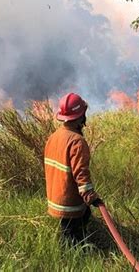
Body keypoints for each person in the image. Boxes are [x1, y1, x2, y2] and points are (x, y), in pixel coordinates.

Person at [44, 92, 102, 246]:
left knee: (78, 222)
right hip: (70, 201)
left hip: (56, 198)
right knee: (72, 239)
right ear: (80, 117)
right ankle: (75, 257)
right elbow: (80, 173)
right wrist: (90, 195)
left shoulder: (54, 137)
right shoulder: (77, 141)